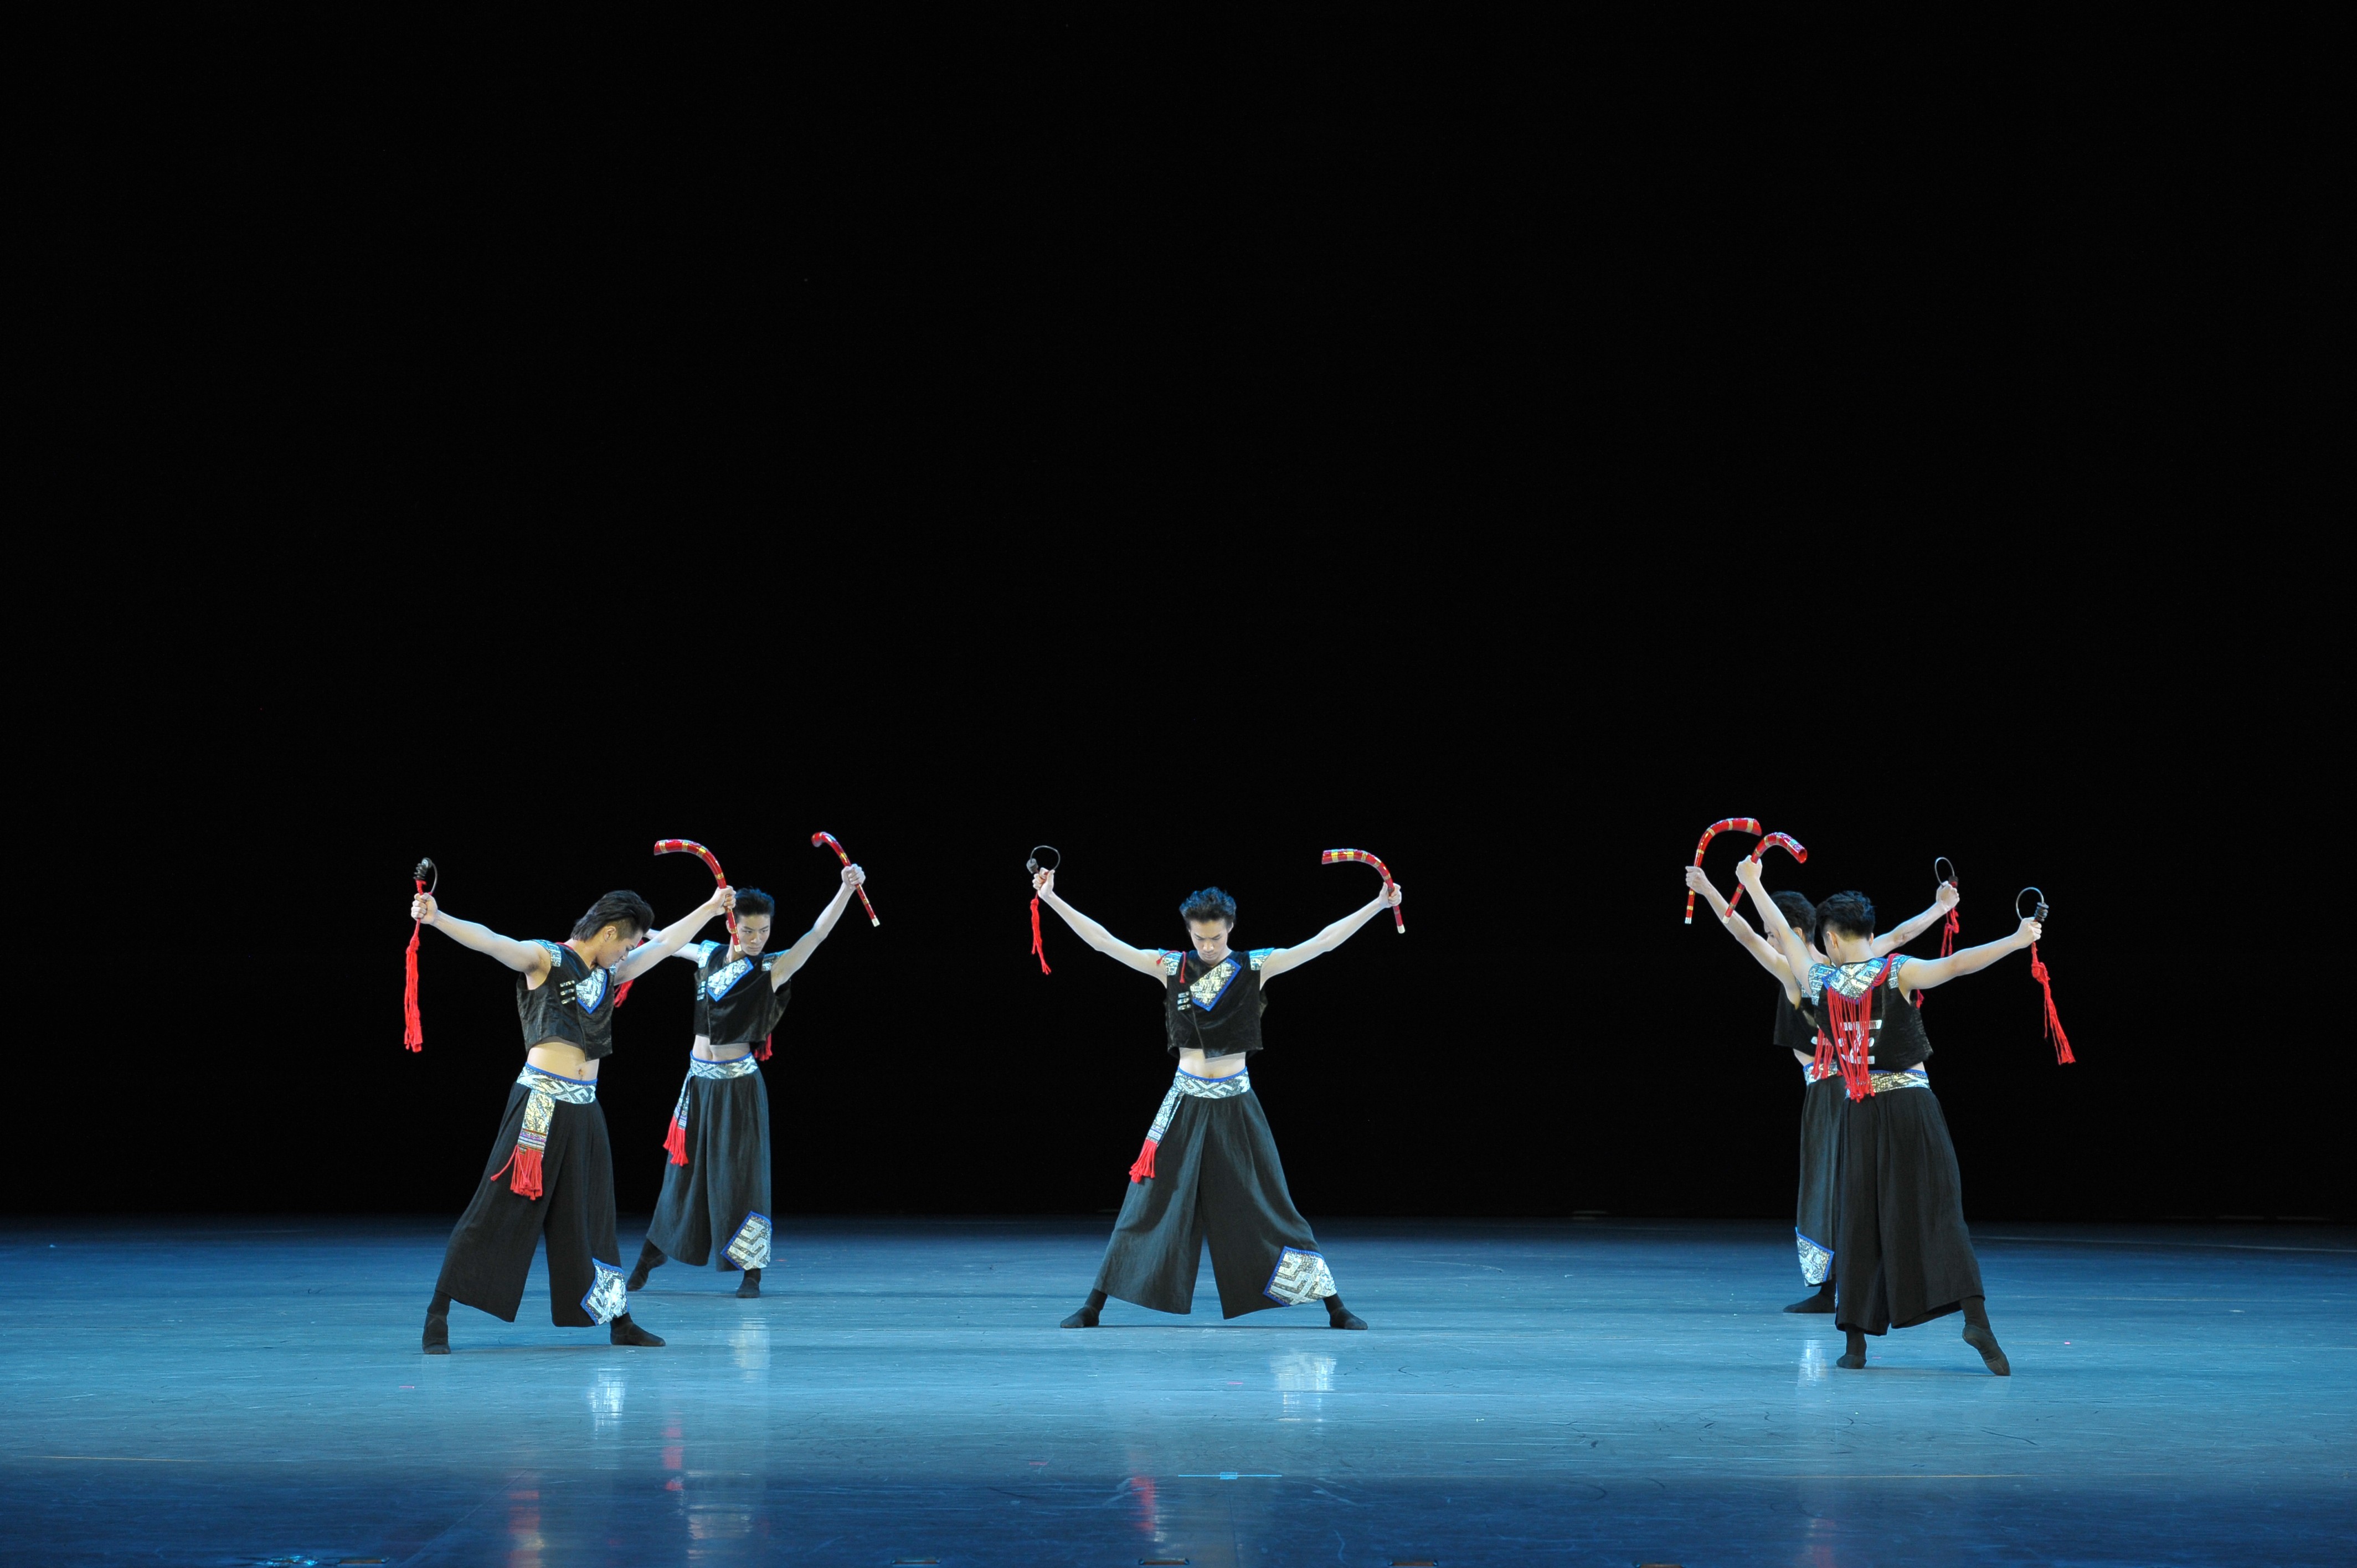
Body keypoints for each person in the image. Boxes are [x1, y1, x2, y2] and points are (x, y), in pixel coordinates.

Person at [1031, 868, 1403, 1330]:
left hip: (1236, 1103)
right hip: (1184, 1102)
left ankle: (1334, 1306)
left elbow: (1323, 942)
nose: (1208, 946)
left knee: (1271, 1203)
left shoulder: (1254, 967)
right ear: (1189, 931)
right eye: (1199, 938)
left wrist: (1378, 905)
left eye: (1216, 937)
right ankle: (1094, 1305)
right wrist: (1052, 899)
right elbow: (1104, 942)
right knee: (1145, 1204)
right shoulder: (1172, 967)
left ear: (1230, 929)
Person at [1737, 854, 2040, 1375]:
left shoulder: (1821, 981)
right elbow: (1959, 963)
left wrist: (1753, 885)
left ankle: (1855, 1347)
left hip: (1858, 1112)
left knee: (1858, 1221)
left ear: (1830, 940)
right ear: (1867, 933)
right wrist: (2016, 940)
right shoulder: (1897, 971)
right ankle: (1977, 1322)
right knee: (1939, 1212)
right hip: (1912, 1108)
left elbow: (1784, 937)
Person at [413, 881, 737, 1353]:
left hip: (585, 1108)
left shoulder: (610, 974)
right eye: (627, 944)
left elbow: (666, 945)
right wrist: (438, 918)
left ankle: (620, 1321)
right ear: (608, 933)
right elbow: (492, 942)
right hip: (540, 1105)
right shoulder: (545, 958)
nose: (628, 953)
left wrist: (709, 908)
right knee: (498, 1208)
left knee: (594, 1215)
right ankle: (438, 1313)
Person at [1684, 866, 1956, 1311]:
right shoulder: (1853, 964)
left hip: (1839, 1092)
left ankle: (1843, 1290)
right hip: (1857, 1088)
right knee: (1852, 1184)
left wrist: (1711, 889)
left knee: (1832, 1185)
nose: (1768, 937)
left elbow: (1743, 935)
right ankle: (1861, 1288)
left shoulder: (1805, 975)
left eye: (1773, 930)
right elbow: (1901, 936)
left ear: (1792, 931)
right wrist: (1940, 909)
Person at [627, 864, 867, 1299]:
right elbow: (666, 943)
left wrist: (846, 891)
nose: (758, 939)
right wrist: (632, 928)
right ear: (731, 925)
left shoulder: (771, 969)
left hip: (738, 1088)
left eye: (765, 931)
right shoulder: (708, 955)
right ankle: (653, 1252)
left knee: (741, 1175)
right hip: (697, 1084)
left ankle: (751, 1270)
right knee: (681, 1173)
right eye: (749, 931)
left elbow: (816, 935)